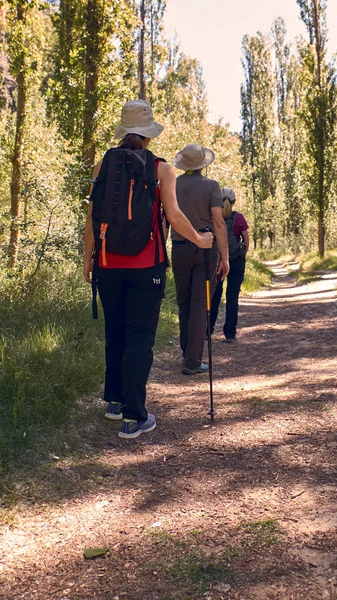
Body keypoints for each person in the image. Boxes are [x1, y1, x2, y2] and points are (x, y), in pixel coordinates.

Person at [83, 100, 213, 439]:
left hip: (107, 265)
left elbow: (91, 219)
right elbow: (174, 217)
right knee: (139, 339)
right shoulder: (161, 169)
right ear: (149, 135)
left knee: (116, 333)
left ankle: (114, 402)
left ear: (123, 132)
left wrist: (88, 259)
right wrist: (200, 240)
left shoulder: (101, 166)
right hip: (146, 267)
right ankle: (134, 416)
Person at [171, 144, 229, 375]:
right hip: (206, 250)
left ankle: (187, 351)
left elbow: (167, 219)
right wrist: (225, 257)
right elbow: (219, 222)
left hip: (179, 248)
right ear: (202, 165)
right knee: (200, 303)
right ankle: (193, 360)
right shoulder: (211, 186)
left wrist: (162, 253)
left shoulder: (172, 184)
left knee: (184, 302)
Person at [209, 187, 249, 343]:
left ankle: (208, 330)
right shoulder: (239, 218)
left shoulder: (213, 217)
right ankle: (230, 334)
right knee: (232, 296)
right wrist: (241, 255)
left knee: (214, 296)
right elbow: (246, 240)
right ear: (234, 202)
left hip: (218, 261)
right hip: (236, 261)